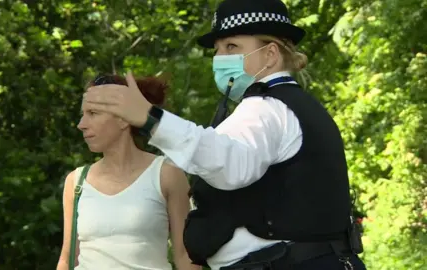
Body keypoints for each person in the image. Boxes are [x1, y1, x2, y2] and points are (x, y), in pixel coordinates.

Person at [82, 0, 368, 269]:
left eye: (232, 46)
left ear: (270, 54)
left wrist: (151, 120)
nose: (220, 58)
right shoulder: (293, 105)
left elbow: (228, 163)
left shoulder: (265, 108)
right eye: (217, 49)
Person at [56, 74, 200, 270]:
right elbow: (67, 259)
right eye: (83, 114)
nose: (81, 124)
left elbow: (185, 258)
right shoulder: (76, 182)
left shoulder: (167, 175)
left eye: (93, 113)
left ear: (124, 119)